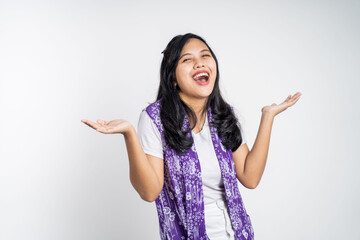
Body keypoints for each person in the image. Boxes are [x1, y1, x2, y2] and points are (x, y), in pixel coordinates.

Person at [81, 33, 302, 240]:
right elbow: (149, 192)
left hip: (237, 233)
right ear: (173, 77)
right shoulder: (155, 118)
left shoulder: (224, 114)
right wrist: (129, 133)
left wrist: (268, 117)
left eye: (205, 55)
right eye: (187, 60)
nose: (200, 63)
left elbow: (249, 177)